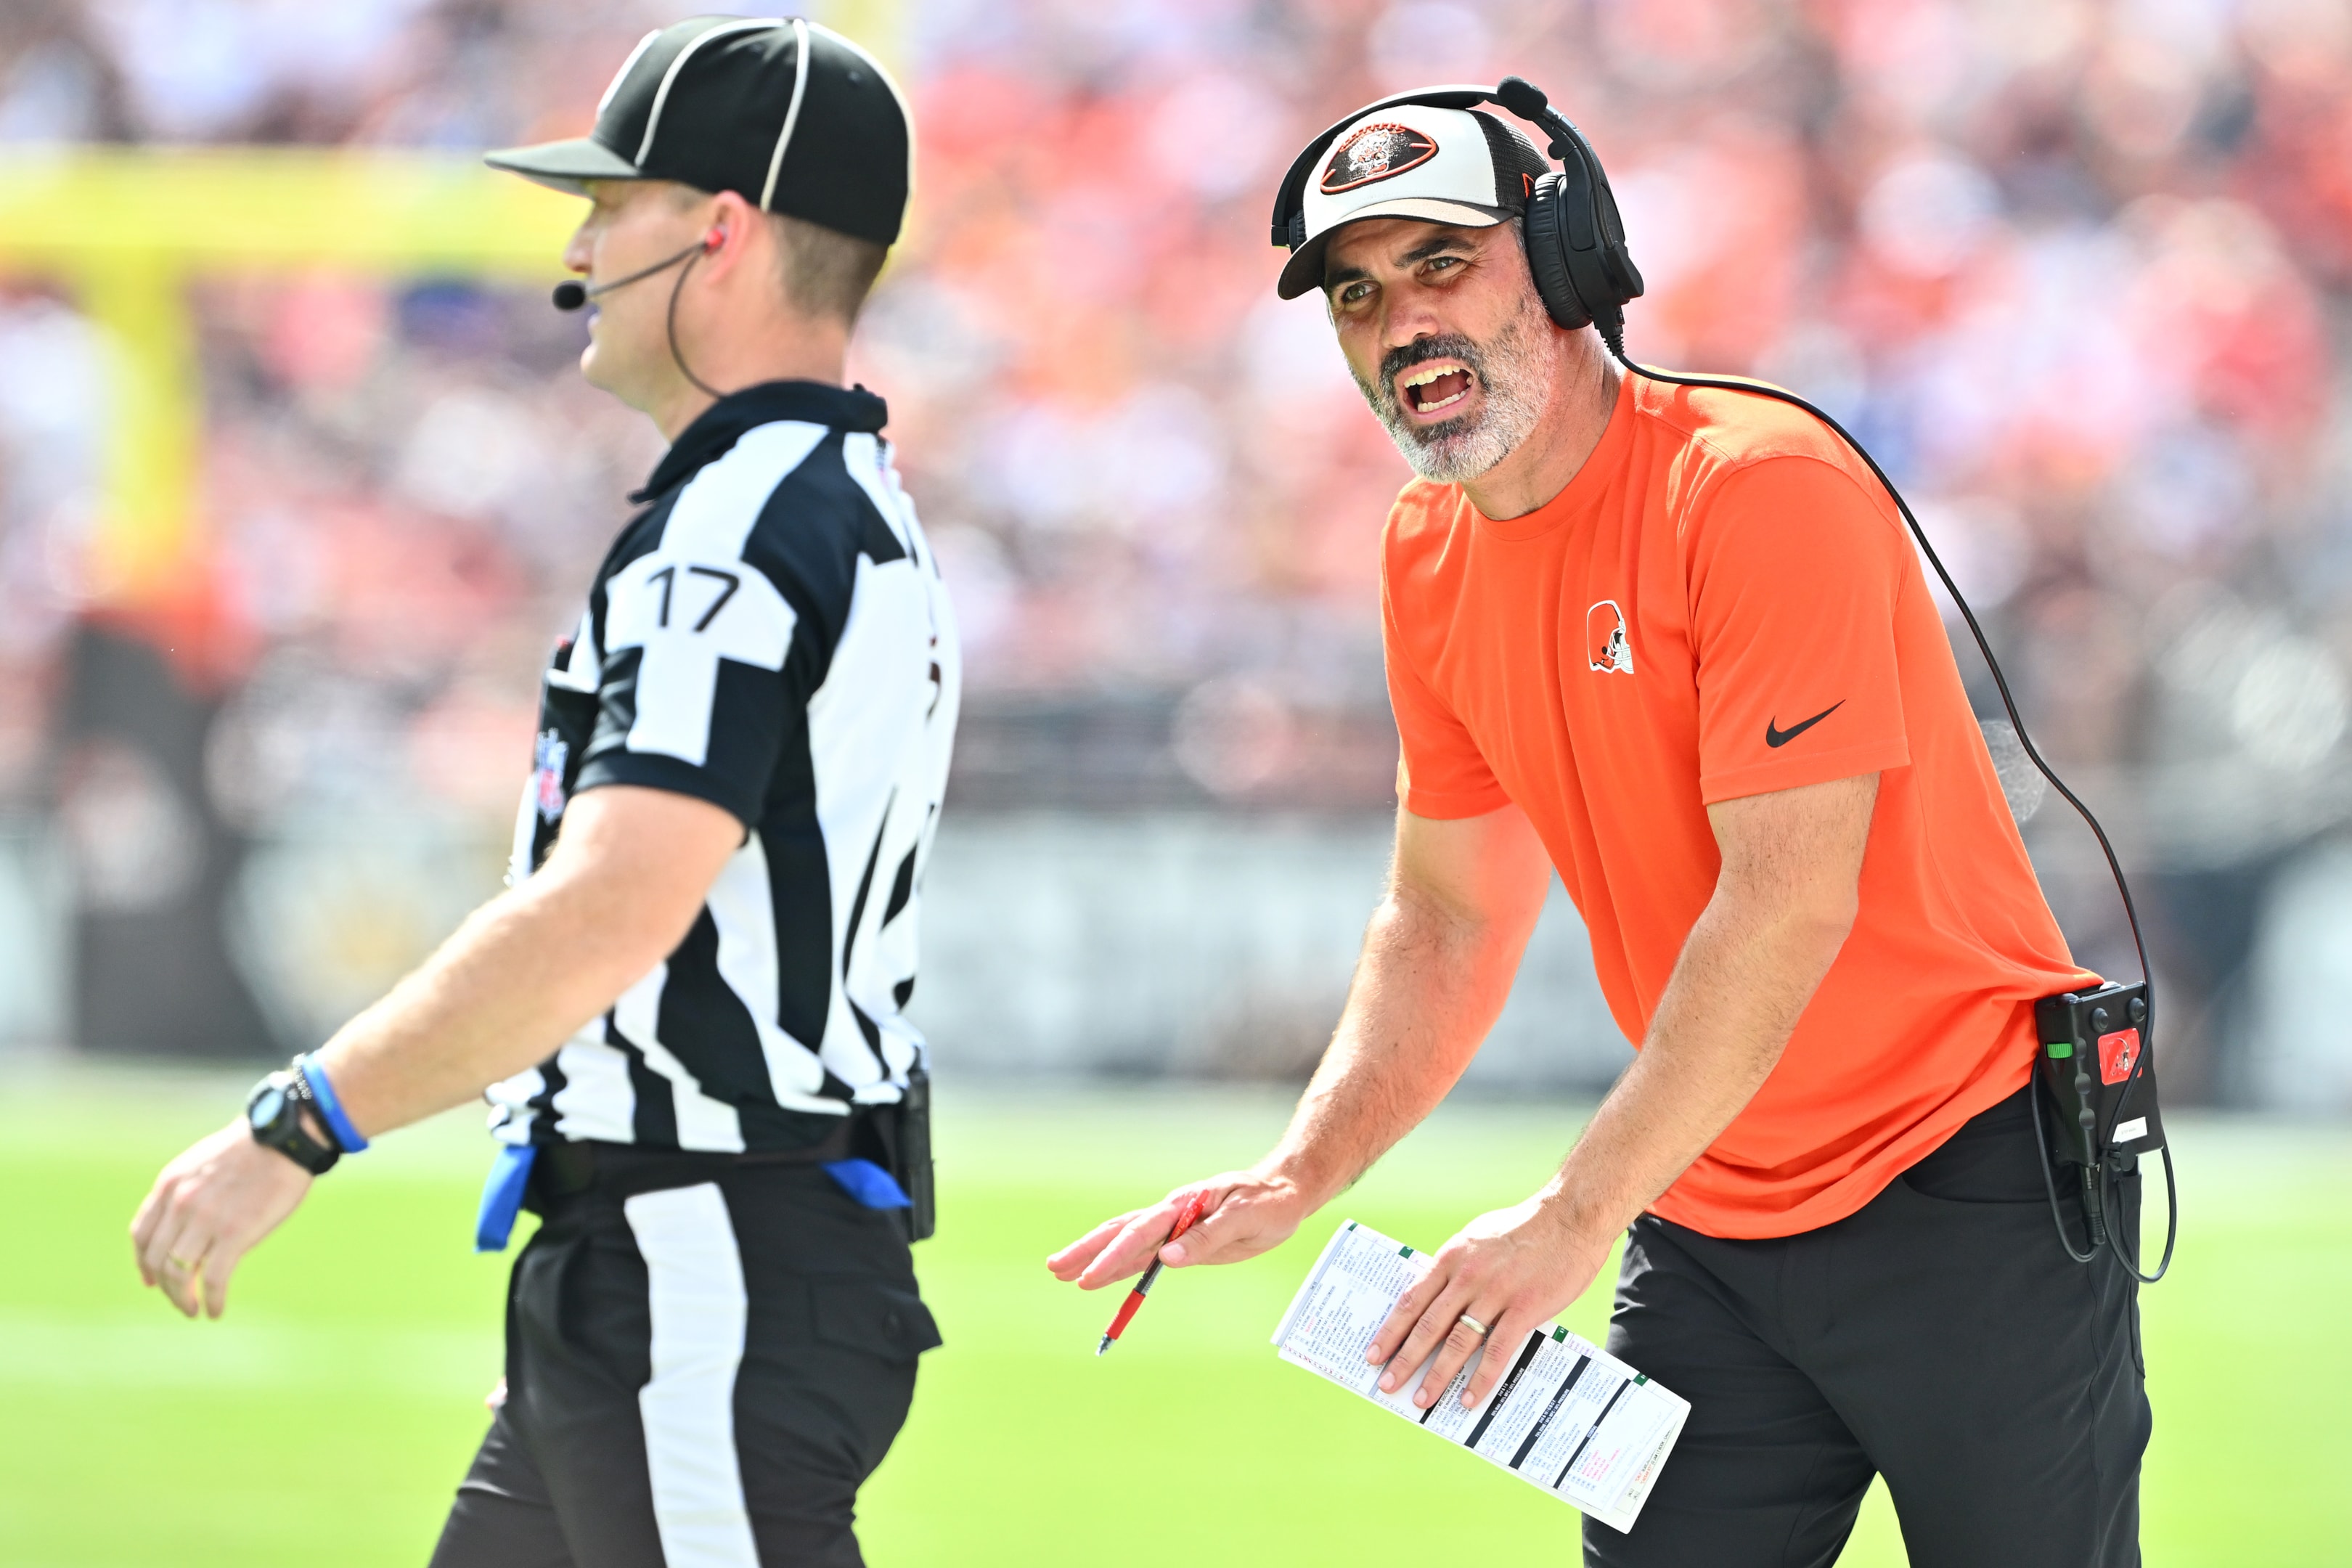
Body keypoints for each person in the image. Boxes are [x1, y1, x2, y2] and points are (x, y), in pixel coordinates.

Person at [1050, 89, 2148, 1568]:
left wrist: (1570, 1219)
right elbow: (1444, 912)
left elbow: (1784, 905)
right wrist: (1302, 1171)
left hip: (1965, 1195)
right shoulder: (1424, 547)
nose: (1399, 326)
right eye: (1359, 295)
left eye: (1443, 267)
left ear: (1567, 263)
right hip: (1703, 1221)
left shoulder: (1755, 488)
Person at [128, 17, 958, 1567]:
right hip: (688, 1262)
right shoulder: (831, 500)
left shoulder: (739, 527)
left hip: (707, 1257)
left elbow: (611, 907)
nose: (577, 240)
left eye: (611, 202)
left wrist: (299, 1123)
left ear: (722, 231)